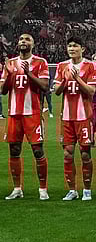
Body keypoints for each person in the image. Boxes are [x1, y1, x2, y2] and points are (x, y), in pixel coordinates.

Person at [1, 34, 50, 200]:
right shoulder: (10, 63)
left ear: (33, 44)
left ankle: (43, 189)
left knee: (37, 150)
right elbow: (3, 90)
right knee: (14, 150)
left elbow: (44, 86)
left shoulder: (40, 62)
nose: (23, 41)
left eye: (27, 39)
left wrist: (29, 73)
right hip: (14, 113)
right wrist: (8, 74)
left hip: (33, 113)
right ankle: (17, 189)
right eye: (21, 39)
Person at [54, 36, 96, 201]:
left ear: (83, 49)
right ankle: (72, 190)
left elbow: (91, 91)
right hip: (66, 117)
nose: (72, 49)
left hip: (84, 117)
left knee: (85, 153)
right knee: (67, 154)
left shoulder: (90, 66)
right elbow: (57, 91)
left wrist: (77, 78)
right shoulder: (61, 66)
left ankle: (87, 189)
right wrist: (66, 79)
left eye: (75, 46)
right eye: (70, 46)